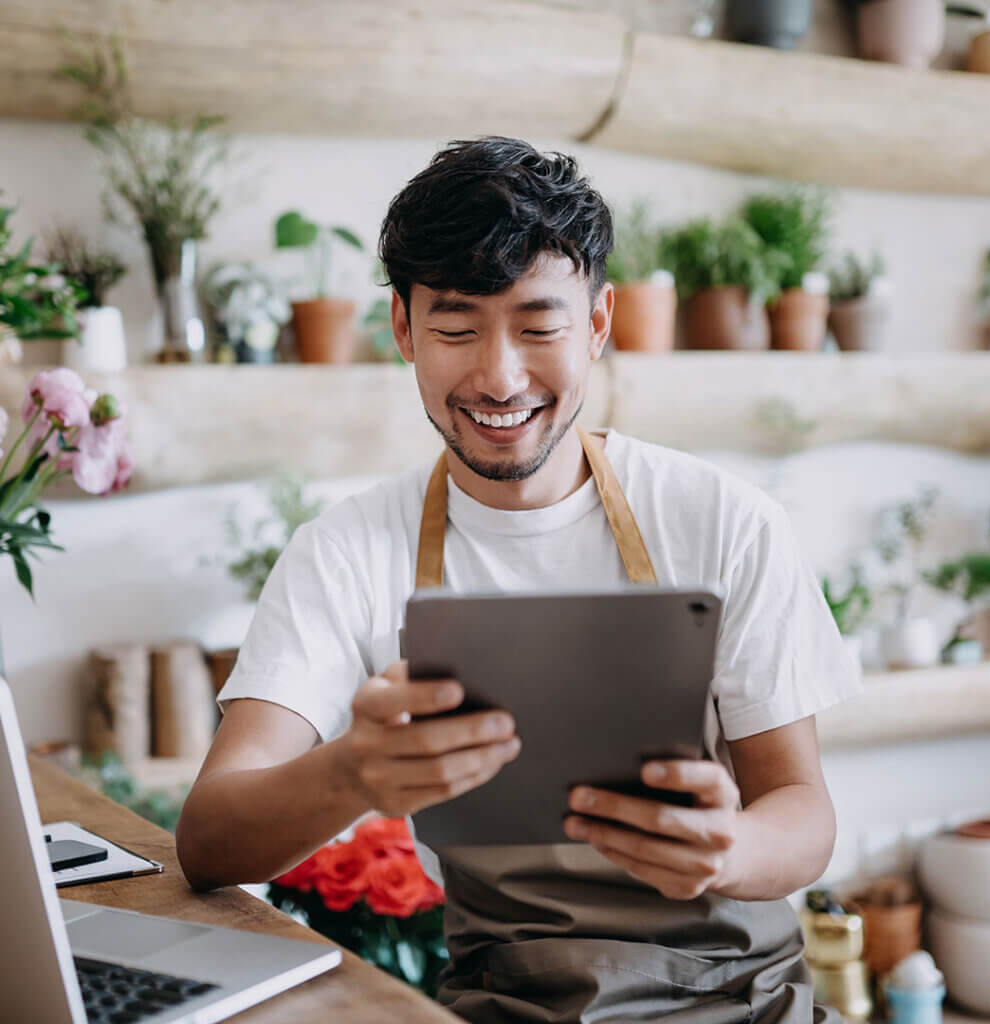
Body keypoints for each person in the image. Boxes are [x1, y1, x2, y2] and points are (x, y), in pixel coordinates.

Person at [176, 136, 862, 1023]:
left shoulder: (723, 520)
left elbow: (802, 811)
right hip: (508, 1005)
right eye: (456, 329)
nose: (499, 377)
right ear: (402, 329)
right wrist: (354, 771)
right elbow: (207, 838)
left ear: (601, 324)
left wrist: (727, 847)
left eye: (540, 327)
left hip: (741, 1000)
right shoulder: (344, 553)